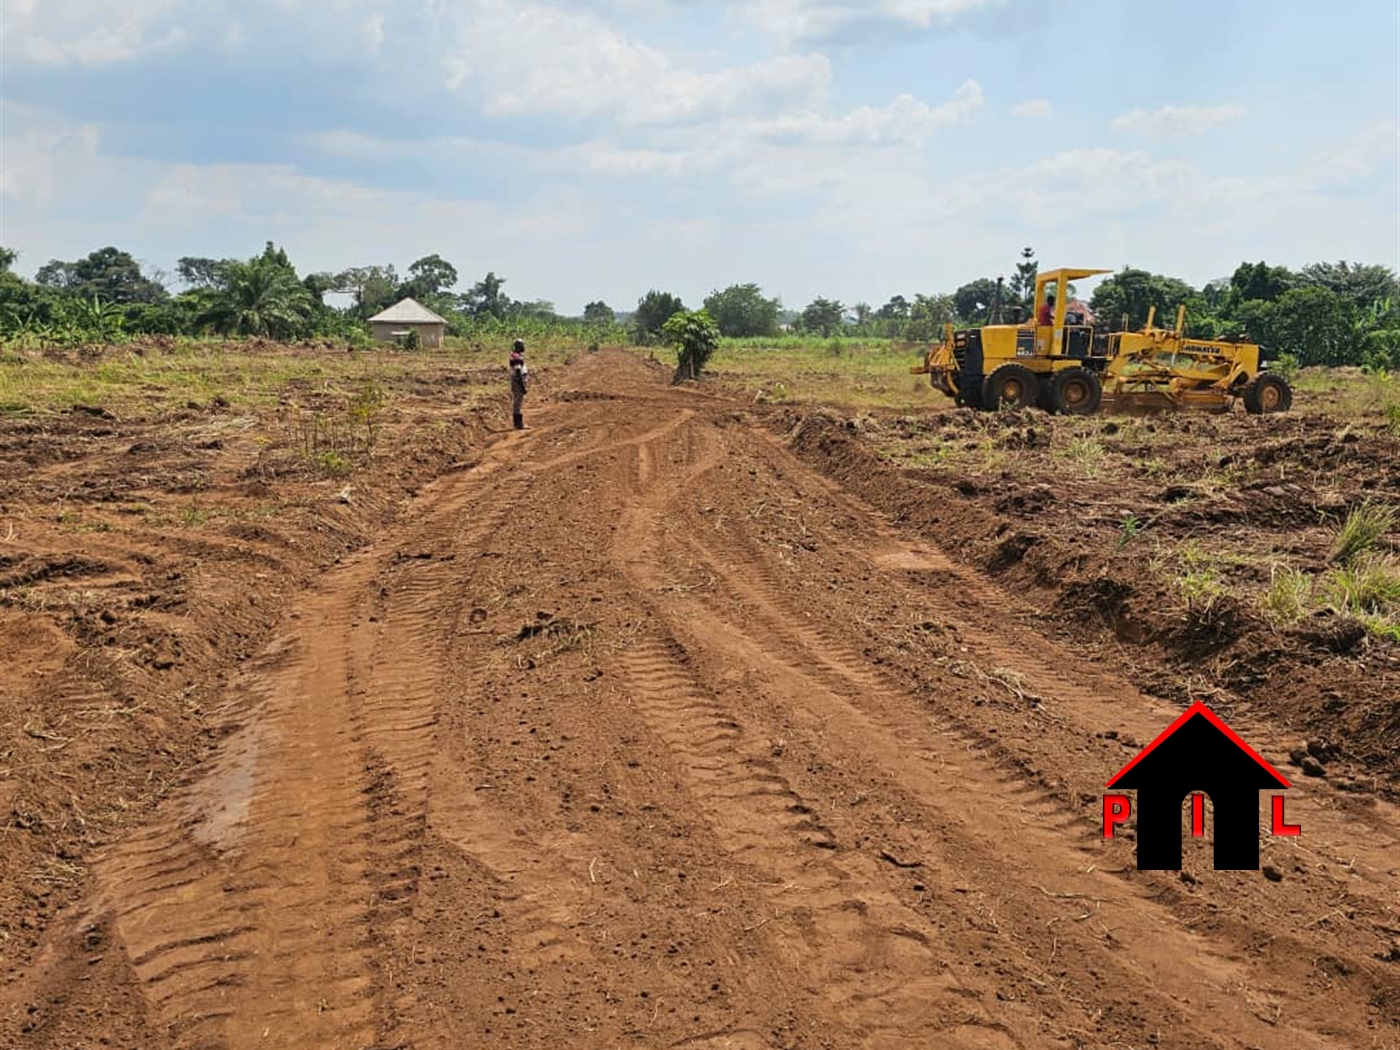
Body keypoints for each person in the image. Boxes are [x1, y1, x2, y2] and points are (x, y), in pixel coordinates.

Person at [508, 338, 530, 430]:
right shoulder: (516, 357)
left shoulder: (516, 355)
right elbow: (517, 371)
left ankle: (518, 424)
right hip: (517, 382)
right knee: (517, 403)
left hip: (517, 381)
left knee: (518, 403)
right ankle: (518, 425)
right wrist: (522, 386)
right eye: (522, 345)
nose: (523, 347)